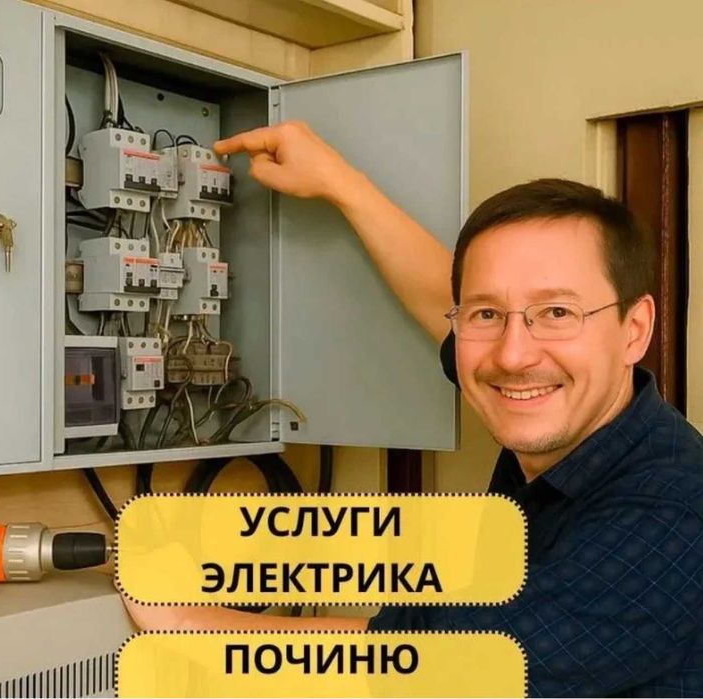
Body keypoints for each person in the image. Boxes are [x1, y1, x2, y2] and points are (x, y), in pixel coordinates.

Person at [121, 121, 703, 696]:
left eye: (557, 313)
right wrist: (342, 185)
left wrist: (188, 620)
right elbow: (445, 302)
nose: (513, 355)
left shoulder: (671, 513)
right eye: (487, 315)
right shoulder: (571, 421)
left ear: (634, 330)